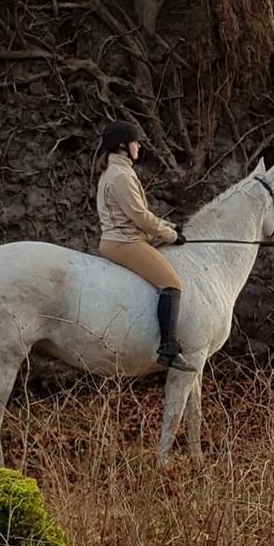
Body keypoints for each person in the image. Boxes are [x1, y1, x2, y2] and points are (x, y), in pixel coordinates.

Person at [95, 119, 192, 371]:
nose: (139, 146)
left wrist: (169, 226)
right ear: (122, 146)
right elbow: (140, 218)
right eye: (135, 142)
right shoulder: (120, 176)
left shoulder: (119, 171)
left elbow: (141, 214)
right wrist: (170, 235)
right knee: (172, 282)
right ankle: (168, 349)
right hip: (124, 242)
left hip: (122, 238)